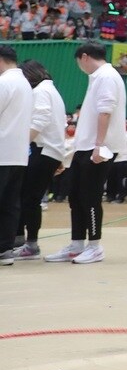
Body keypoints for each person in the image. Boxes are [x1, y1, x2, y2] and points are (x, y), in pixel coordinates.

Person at [46, 42, 126, 264]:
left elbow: (105, 111)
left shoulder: (107, 76)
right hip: (85, 147)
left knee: (90, 197)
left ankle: (95, 246)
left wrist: (100, 145)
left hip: (98, 147)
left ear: (84, 57)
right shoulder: (97, 77)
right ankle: (77, 244)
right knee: (76, 196)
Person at [10, 60, 65, 261]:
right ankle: (23, 240)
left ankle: (31, 244)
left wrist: (20, 145)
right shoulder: (51, 91)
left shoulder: (41, 92)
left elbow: (40, 121)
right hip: (49, 151)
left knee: (30, 198)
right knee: (28, 196)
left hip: (43, 150)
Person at [0, 46, 34, 267]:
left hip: (2, 152)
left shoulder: (4, 82)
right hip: (18, 154)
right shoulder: (25, 84)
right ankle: (5, 249)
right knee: (10, 203)